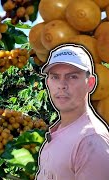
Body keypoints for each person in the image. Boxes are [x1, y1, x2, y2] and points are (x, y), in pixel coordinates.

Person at [35, 43, 109, 180]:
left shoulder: (91, 140)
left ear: (90, 83)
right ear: (47, 82)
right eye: (55, 77)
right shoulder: (62, 130)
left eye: (72, 77)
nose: (61, 86)